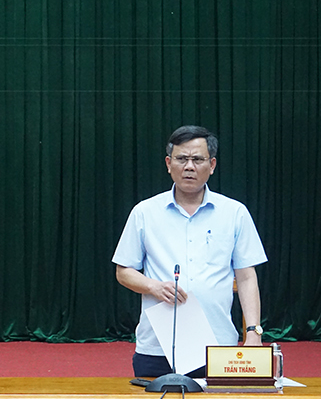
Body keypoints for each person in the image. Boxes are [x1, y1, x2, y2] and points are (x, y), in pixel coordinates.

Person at [112, 125, 267, 378]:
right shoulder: (145, 212)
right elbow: (123, 271)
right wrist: (153, 286)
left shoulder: (234, 213)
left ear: (212, 165)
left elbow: (247, 277)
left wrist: (253, 332)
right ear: (168, 163)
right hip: (158, 345)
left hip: (217, 344)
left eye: (198, 160)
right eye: (181, 159)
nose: (189, 167)